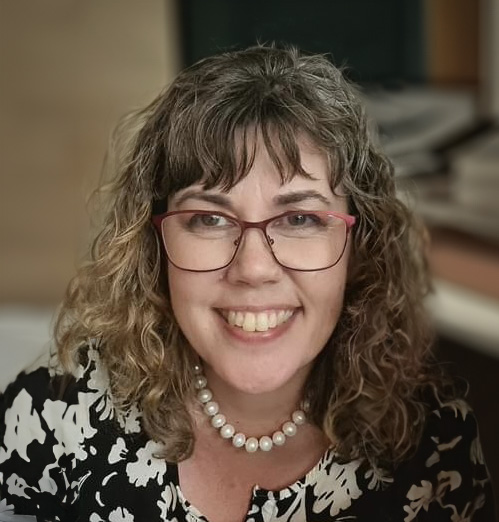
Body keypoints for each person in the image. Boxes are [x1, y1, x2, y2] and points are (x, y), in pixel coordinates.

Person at [0, 45, 494, 522]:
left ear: (360, 247)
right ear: (153, 244)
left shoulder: (435, 445)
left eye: (300, 218)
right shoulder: (52, 420)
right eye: (209, 219)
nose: (254, 269)